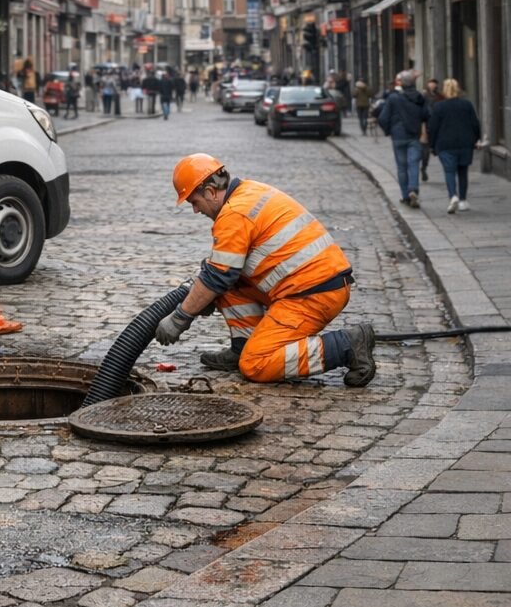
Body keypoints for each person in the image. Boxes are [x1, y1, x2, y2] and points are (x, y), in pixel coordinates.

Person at [155, 153, 376, 387]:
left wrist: (181, 317)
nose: (196, 211)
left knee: (255, 364)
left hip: (312, 294)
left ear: (210, 192)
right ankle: (243, 346)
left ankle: (347, 346)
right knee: (223, 282)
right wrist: (202, 295)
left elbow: (217, 277)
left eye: (194, 202)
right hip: (313, 283)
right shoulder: (249, 191)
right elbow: (219, 270)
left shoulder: (234, 214)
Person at [426, 78, 482, 214]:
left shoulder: (439, 107)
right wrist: (477, 139)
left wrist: (432, 145)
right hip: (465, 143)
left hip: (445, 144)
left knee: (449, 171)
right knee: (463, 172)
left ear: (444, 90)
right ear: (458, 89)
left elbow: (432, 128)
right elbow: (475, 124)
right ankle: (463, 200)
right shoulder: (467, 105)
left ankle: (453, 196)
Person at [377, 70, 430, 207]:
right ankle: (413, 189)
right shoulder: (420, 97)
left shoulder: (393, 98)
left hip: (398, 136)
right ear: (413, 83)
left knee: (402, 167)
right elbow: (427, 115)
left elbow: (383, 118)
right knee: (414, 164)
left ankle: (405, 196)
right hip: (414, 135)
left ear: (402, 84)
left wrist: (389, 130)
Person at [419, 77, 445, 182]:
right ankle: (424, 168)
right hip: (426, 125)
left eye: (434, 83)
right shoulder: (423, 96)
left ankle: (448, 169)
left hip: (439, 126)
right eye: (430, 83)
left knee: (442, 150)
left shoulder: (440, 96)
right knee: (425, 151)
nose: (432, 85)